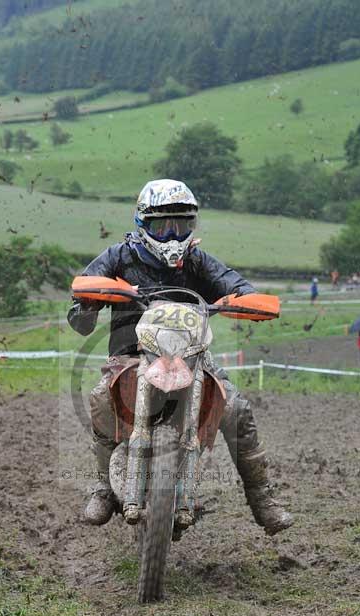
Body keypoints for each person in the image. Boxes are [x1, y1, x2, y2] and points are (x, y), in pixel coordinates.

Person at [68, 179, 293, 535]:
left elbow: (234, 284)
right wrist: (89, 302)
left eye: (181, 225)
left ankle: (263, 500)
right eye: (163, 226)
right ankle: (102, 486)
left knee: (236, 408)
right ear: (143, 224)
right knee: (99, 399)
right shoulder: (119, 256)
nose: (173, 235)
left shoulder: (198, 261)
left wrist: (245, 299)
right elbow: (82, 308)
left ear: (193, 225)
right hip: (129, 356)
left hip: (191, 357)